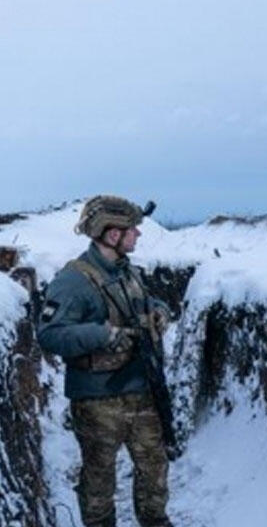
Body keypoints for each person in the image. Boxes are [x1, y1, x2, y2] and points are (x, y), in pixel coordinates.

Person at [37, 196, 173, 527]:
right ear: (112, 235)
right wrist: (101, 335)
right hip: (98, 399)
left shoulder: (127, 271)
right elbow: (50, 334)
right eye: (132, 230)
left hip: (142, 389)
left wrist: (159, 310)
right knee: (99, 478)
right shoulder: (73, 281)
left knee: (154, 465)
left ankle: (154, 521)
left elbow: (142, 301)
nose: (138, 235)